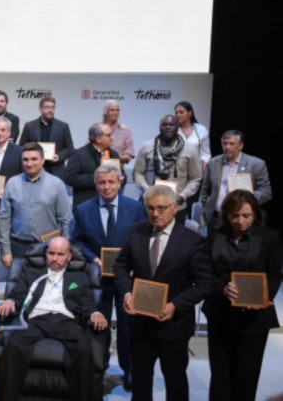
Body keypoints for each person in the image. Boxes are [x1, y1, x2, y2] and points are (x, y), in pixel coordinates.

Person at [113, 184, 214, 401]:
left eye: (161, 208)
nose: (155, 213)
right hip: (140, 322)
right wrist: (127, 293)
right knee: (140, 381)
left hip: (174, 324)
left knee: (175, 380)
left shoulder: (192, 240)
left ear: (174, 207)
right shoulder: (135, 232)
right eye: (150, 208)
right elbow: (120, 266)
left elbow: (205, 283)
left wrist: (175, 305)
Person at [0, 237, 108, 401]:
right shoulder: (32, 273)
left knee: (83, 349)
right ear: (46, 254)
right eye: (51, 253)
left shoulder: (79, 277)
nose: (55, 259)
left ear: (69, 256)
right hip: (36, 321)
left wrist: (95, 313)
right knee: (13, 346)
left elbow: (87, 305)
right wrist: (10, 301)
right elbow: (18, 295)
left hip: (67, 322)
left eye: (60, 254)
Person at [71, 165, 147, 389]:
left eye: (111, 182)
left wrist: (136, 263)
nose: (106, 187)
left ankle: (129, 369)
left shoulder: (134, 208)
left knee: (127, 326)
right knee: (97, 325)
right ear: (96, 185)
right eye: (102, 182)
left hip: (127, 279)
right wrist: (93, 258)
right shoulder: (84, 209)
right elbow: (76, 240)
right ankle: (98, 366)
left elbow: (144, 239)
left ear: (120, 182)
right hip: (98, 279)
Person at [202, 190, 282, 401]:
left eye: (246, 216)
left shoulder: (268, 237)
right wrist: (222, 288)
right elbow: (205, 272)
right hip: (220, 313)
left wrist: (264, 297)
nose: (241, 221)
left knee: (247, 374)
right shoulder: (215, 236)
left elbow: (274, 274)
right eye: (235, 215)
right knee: (220, 374)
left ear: (255, 214)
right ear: (226, 215)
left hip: (254, 318)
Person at [0, 143, 73, 268]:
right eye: (25, 159)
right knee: (18, 286)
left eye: (34, 159)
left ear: (43, 160)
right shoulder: (12, 183)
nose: (29, 163)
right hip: (18, 247)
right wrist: (5, 250)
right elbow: (3, 219)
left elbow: (66, 220)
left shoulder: (57, 184)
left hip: (48, 248)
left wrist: (64, 250)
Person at [132, 115, 202, 223]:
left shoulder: (190, 150)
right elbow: (138, 172)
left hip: (176, 205)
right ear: (160, 127)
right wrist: (147, 189)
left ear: (178, 126)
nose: (168, 127)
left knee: (175, 239)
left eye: (171, 124)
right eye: (165, 125)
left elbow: (195, 178)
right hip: (150, 204)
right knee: (146, 238)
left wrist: (183, 196)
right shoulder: (147, 147)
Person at [200, 130, 273, 229]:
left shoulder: (256, 164)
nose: (227, 147)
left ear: (241, 145)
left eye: (231, 144)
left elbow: (266, 192)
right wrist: (205, 210)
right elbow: (205, 190)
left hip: (241, 219)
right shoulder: (213, 162)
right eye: (225, 143)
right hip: (216, 218)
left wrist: (246, 198)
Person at [64, 122, 122, 208]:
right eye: (109, 135)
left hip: (111, 204)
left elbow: (122, 173)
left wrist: (122, 178)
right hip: (87, 204)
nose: (112, 138)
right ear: (98, 139)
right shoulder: (78, 155)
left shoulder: (113, 154)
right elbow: (69, 178)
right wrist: (97, 178)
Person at [17, 96, 75, 178]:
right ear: (40, 109)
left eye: (52, 107)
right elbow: (21, 147)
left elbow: (70, 149)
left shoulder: (63, 126)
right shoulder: (29, 126)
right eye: (47, 107)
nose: (50, 110)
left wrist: (58, 156)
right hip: (33, 169)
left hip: (55, 171)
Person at [174, 101, 210, 172]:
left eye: (181, 112)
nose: (178, 115)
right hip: (177, 171)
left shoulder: (201, 130)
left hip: (196, 170)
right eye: (176, 113)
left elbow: (205, 154)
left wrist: (203, 174)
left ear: (189, 113)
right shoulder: (173, 130)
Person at [95, 100, 135, 164]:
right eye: (112, 110)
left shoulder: (125, 131)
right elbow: (88, 149)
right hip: (96, 168)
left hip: (117, 169)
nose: (115, 113)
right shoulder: (96, 128)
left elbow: (129, 154)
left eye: (117, 110)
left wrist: (115, 157)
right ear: (105, 111)